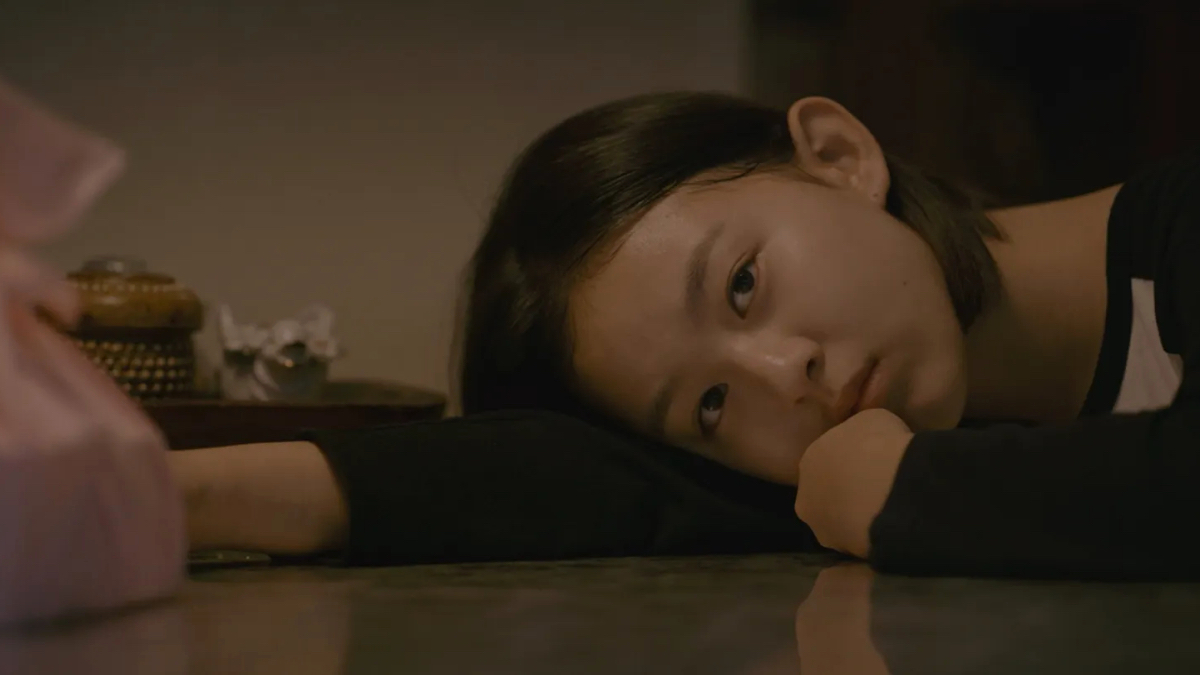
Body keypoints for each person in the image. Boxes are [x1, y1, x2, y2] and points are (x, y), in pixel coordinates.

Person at [178, 90, 1200, 580]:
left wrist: (907, 494)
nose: (780, 376)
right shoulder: (889, 451)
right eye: (710, 406)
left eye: (744, 284)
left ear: (838, 154)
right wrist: (169, 496)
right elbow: (588, 477)